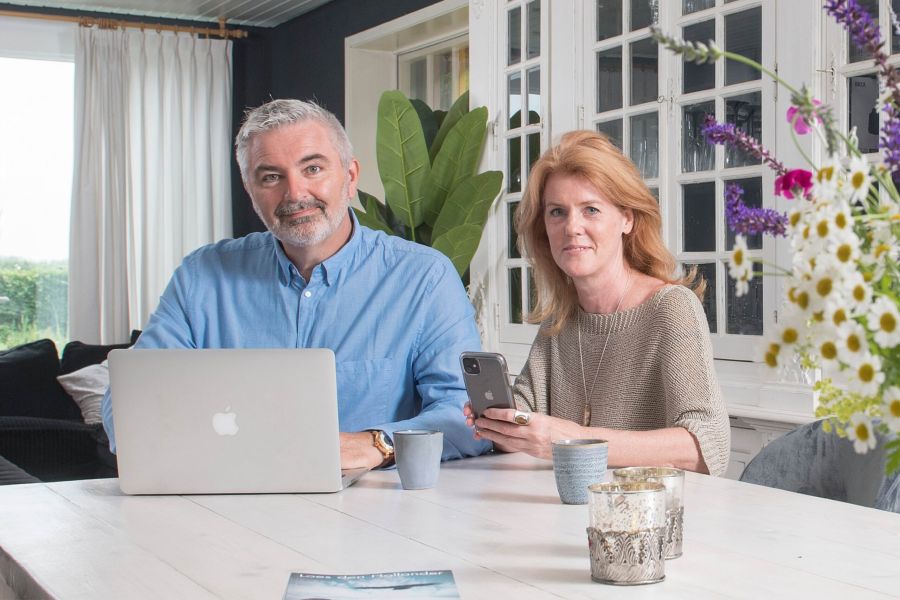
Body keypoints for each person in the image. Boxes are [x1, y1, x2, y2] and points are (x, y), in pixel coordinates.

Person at [101, 98, 491, 469]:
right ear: (251, 191)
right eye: (271, 176)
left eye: (313, 169)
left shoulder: (424, 278)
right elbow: (127, 403)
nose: (295, 193)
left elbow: (468, 419)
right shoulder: (202, 277)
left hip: (373, 513)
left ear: (350, 176)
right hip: (226, 502)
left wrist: (378, 443)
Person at [466, 130, 730, 475]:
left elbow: (706, 445)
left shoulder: (671, 308)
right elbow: (528, 415)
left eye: (590, 209)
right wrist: (499, 423)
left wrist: (575, 438)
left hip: (651, 516)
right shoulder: (561, 321)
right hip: (572, 512)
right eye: (557, 212)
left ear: (627, 218)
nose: (572, 227)